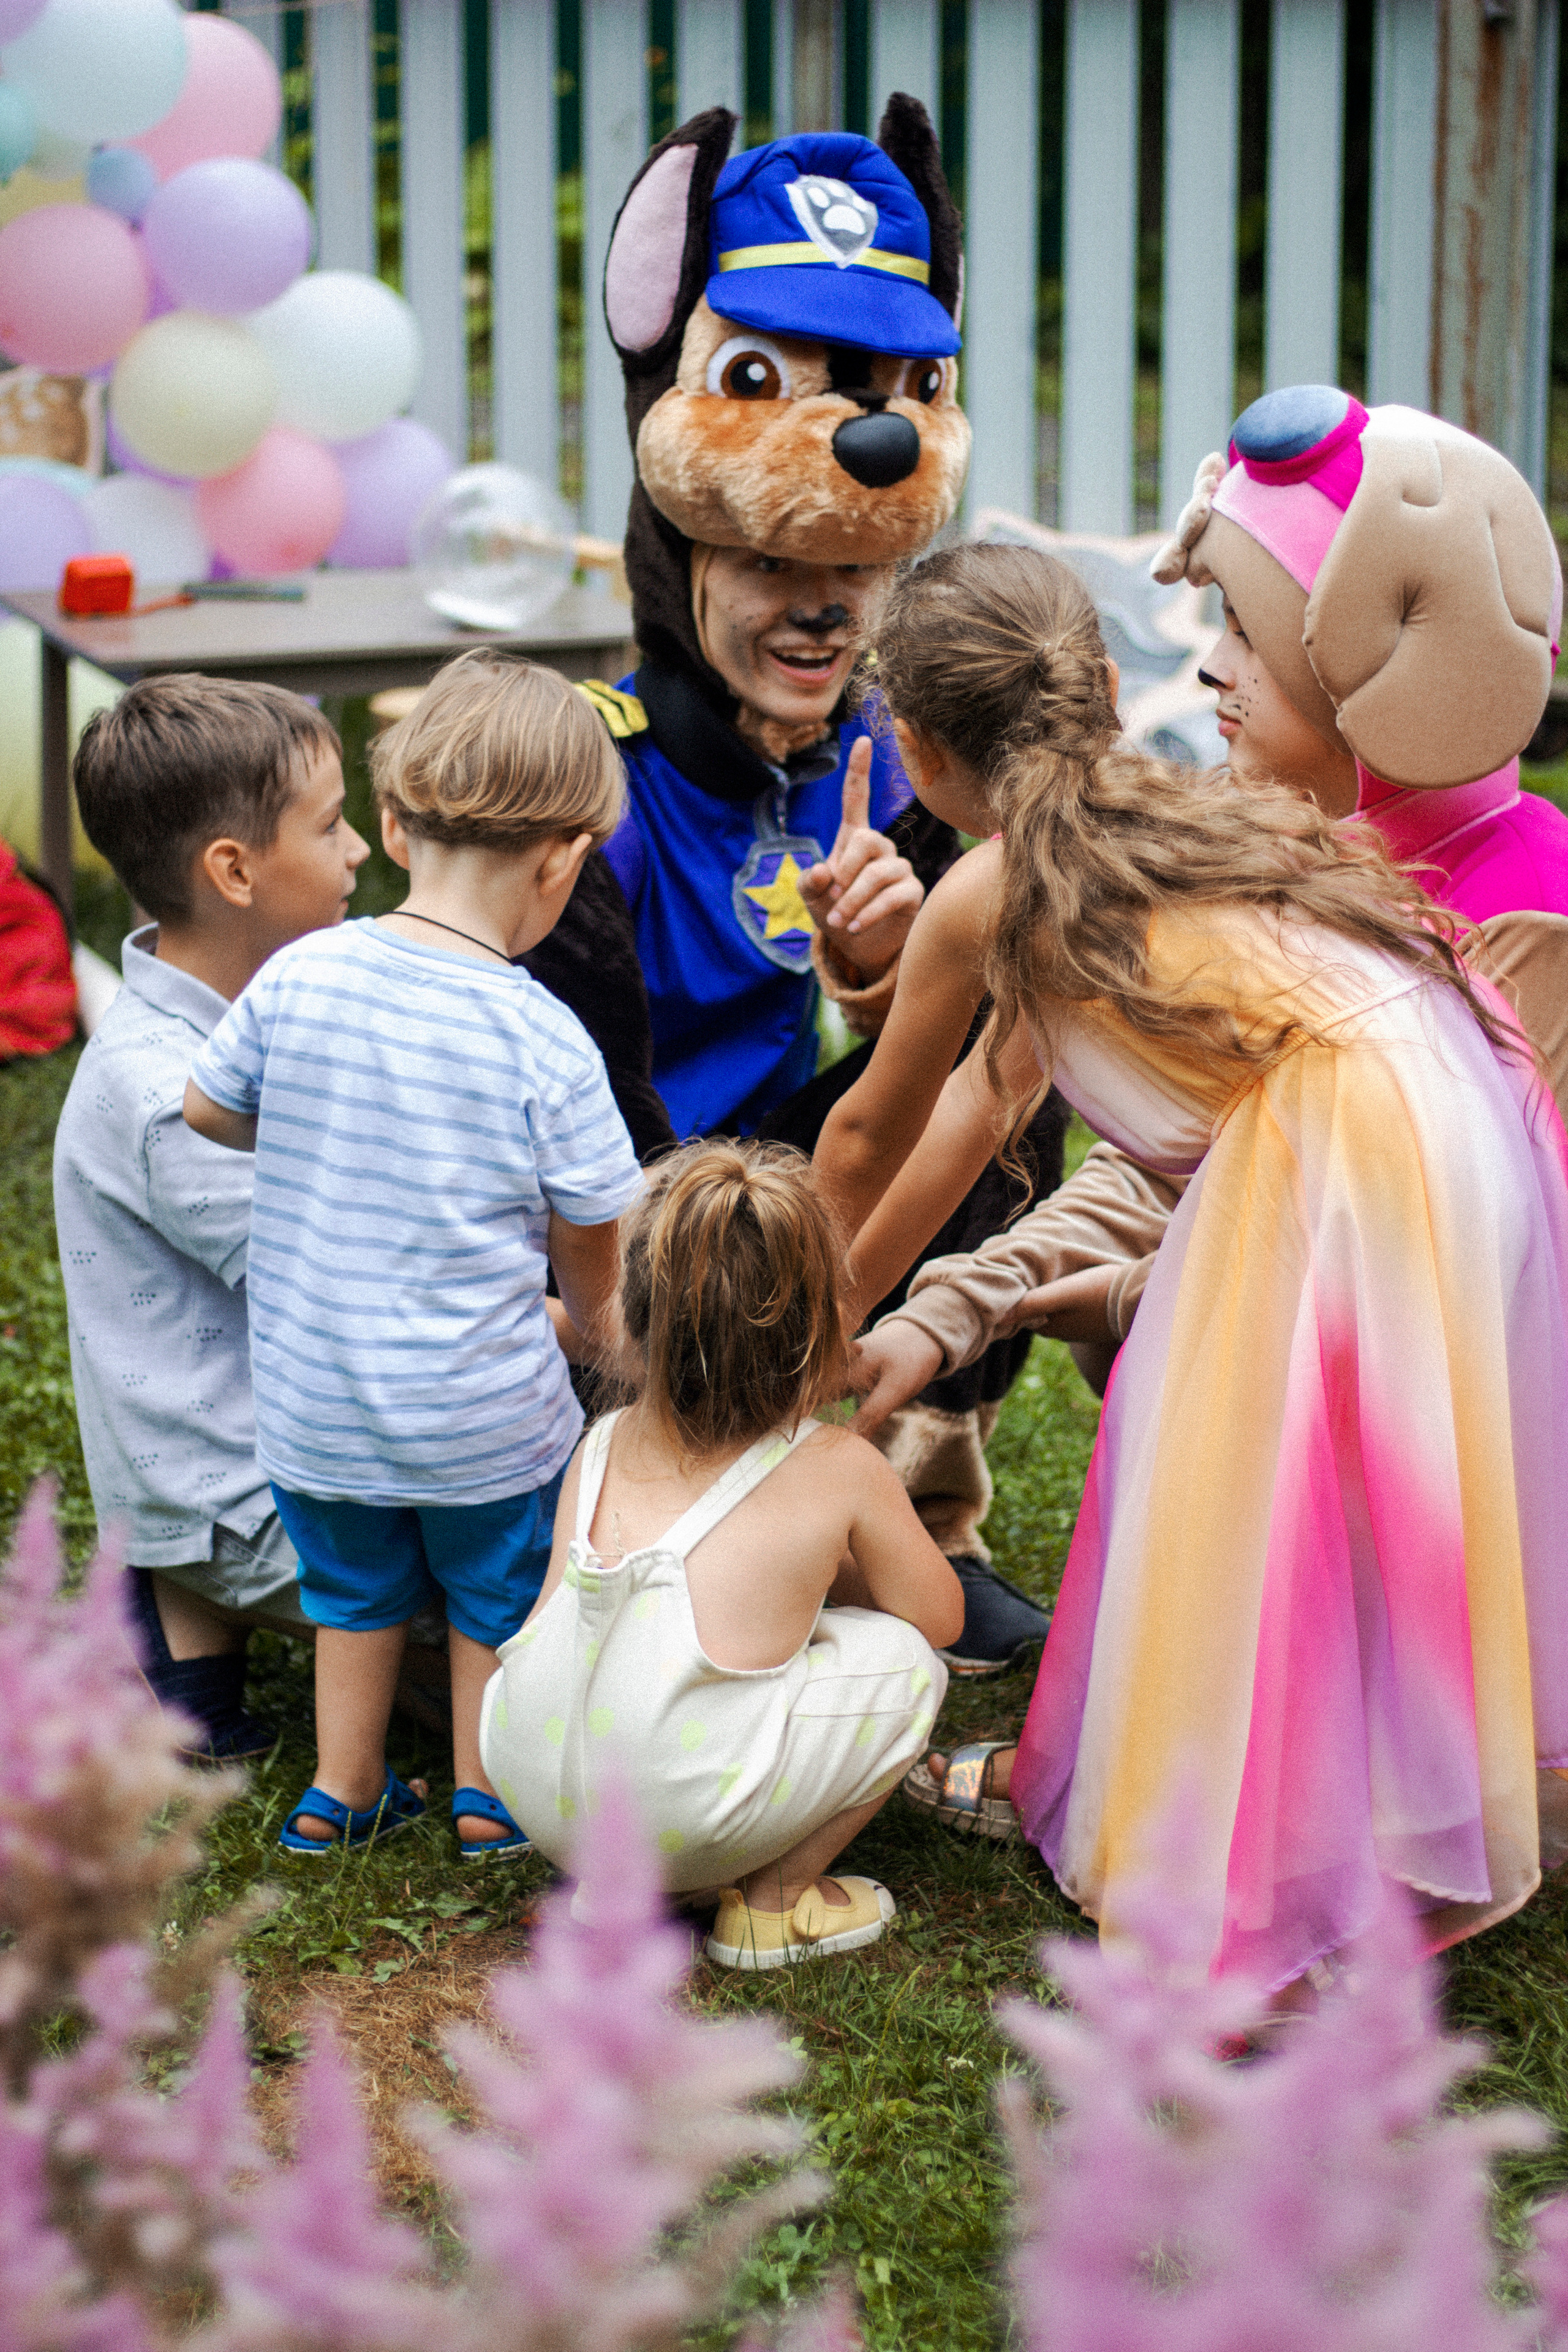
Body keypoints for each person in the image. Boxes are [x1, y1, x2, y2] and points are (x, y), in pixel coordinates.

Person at [839, 540, 1568, 1993]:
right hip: (1458, 1114)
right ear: (1102, 687)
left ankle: (1220, 1860)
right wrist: (888, 1318)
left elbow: (867, 1132)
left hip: (1336, 1153)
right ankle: (1393, 1804)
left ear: (911, 750)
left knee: (1224, 1502)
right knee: (1370, 1511)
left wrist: (798, 1327)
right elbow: (987, 1101)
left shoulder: (984, 891)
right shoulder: (1171, 818)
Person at [522, 103, 1066, 1675]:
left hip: (807, 1192)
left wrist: (883, 975)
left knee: (1015, 1074)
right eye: (773, 576)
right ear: (688, 560)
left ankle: (919, 1495)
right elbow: (573, 1128)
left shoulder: (891, 765)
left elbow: (922, 1081)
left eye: (847, 587)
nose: (815, 617)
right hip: (627, 1227)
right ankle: (706, 1487)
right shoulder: (591, 779)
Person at [852, 386, 1568, 1421]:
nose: (1209, 665)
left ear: (1390, 666)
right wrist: (966, 1299)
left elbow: (1462, 1269)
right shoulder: (1262, 851)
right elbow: (1191, 1151)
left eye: (1251, 632)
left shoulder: (1530, 912)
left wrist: (1136, 1295)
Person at [182, 653, 644, 1856]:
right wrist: (601, 1333)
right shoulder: (544, 1039)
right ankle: (487, 1794)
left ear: (390, 825)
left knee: (354, 1595)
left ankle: (342, 1789)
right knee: (492, 1594)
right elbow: (596, 1235)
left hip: (316, 1408)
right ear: (561, 862)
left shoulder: (303, 977)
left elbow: (208, 1111)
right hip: (482, 1422)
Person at [479, 1139, 963, 1969]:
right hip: (681, 1810)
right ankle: (774, 1904)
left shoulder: (601, 1443)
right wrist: (838, 1563)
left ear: (634, 1316)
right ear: (823, 1323)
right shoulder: (837, 1465)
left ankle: (624, 1884)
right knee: (908, 1662)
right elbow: (939, 1618)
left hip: (535, 1787)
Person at [53, 675, 374, 1760]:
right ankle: (194, 1599)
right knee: (525, 1595)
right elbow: (343, 1296)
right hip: (247, 1498)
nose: (361, 852)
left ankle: (190, 1636)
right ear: (233, 872)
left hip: (226, 1465)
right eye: (330, 827)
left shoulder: (249, 1010)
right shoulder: (169, 1098)